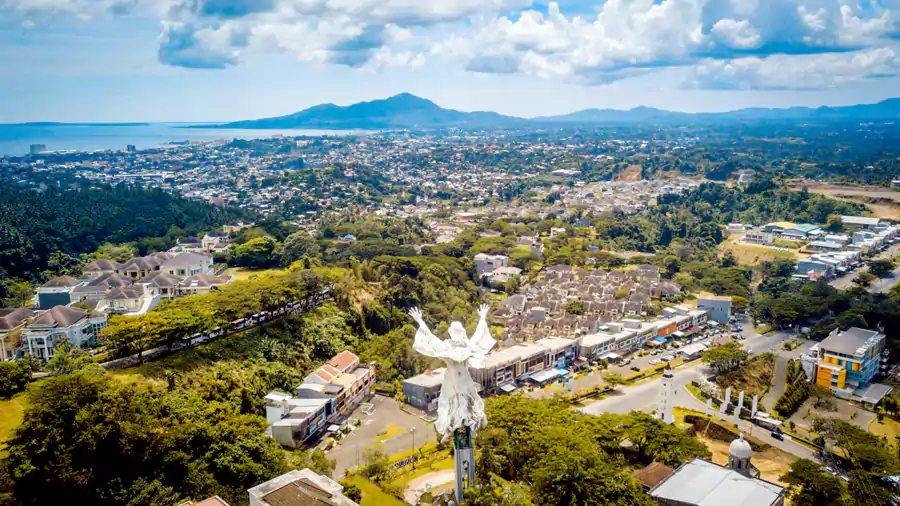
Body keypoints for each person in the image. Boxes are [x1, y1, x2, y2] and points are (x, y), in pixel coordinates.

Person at [408, 304, 496, 441]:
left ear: (462, 333)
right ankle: (449, 430)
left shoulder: (466, 345)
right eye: (454, 332)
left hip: (464, 378)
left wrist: (483, 317)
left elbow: (478, 336)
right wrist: (419, 320)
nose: (456, 334)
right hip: (451, 379)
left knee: (468, 401)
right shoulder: (446, 346)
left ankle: (472, 425)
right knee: (449, 404)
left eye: (458, 332)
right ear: (450, 332)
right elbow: (430, 338)